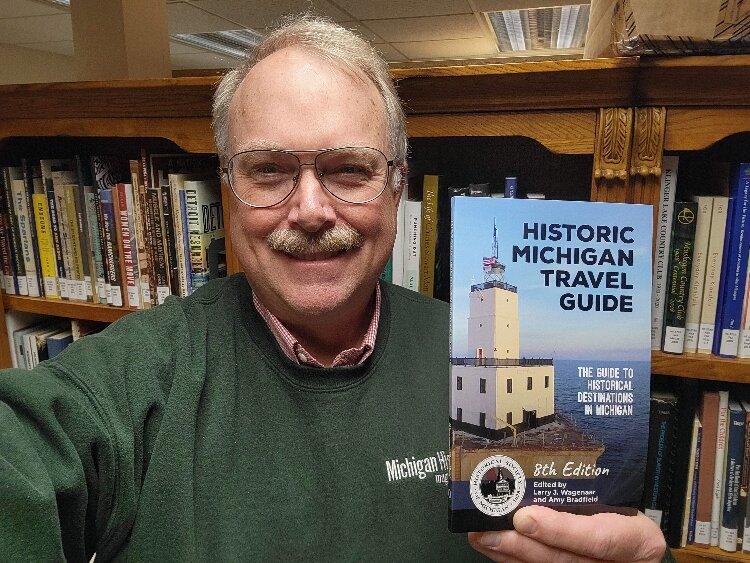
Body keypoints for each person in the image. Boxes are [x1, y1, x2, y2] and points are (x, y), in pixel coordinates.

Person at [0, 13, 670, 563]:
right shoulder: (143, 374)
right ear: (229, 188)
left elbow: (604, 531)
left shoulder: (499, 358)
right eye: (269, 169)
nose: (312, 209)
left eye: (349, 169)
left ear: (398, 187)